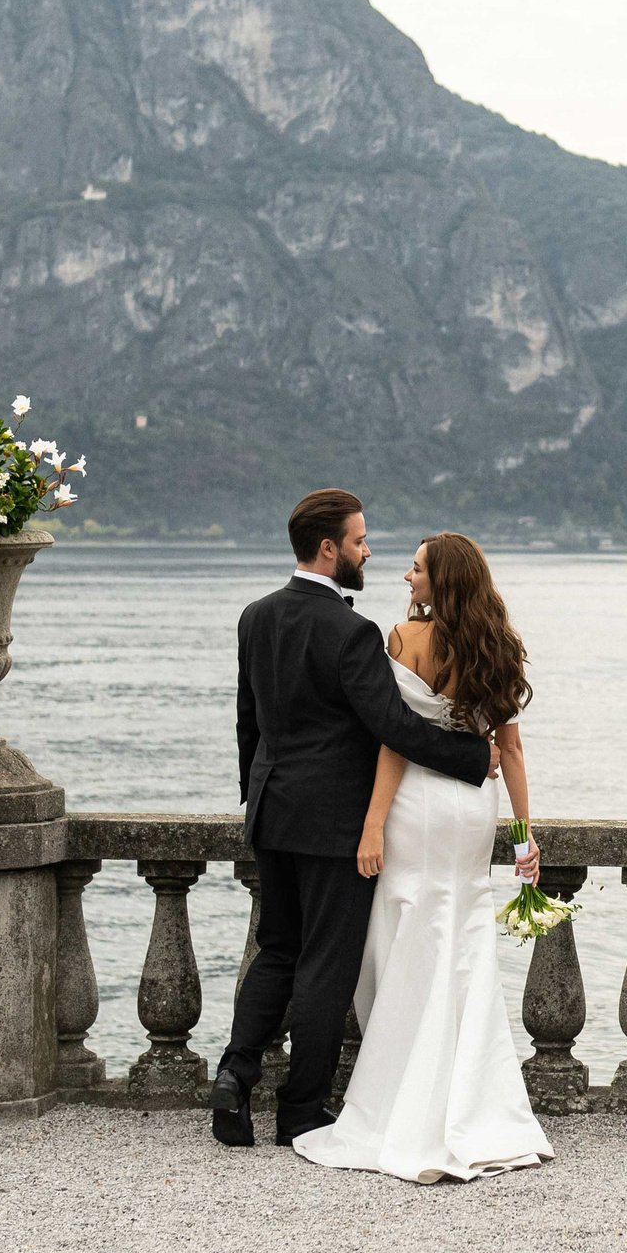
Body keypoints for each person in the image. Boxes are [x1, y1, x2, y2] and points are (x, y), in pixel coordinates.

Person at [212, 491, 496, 1149]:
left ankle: (234, 1075)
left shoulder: (255, 617)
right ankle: (301, 1111)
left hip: (272, 810)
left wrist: (254, 798)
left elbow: (247, 723)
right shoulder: (352, 632)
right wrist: (471, 755)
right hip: (335, 823)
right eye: (361, 541)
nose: (370, 552)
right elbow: (392, 725)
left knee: (277, 949)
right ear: (329, 548)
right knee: (325, 965)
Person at [291, 532, 553, 1183]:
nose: (407, 577)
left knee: (407, 938)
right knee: (463, 938)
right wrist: (524, 835)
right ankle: (477, 1107)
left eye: (416, 569)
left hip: (417, 805)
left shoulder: (405, 640)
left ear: (444, 582)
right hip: (472, 809)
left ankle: (405, 1100)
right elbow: (511, 751)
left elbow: (394, 742)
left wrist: (372, 824)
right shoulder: (501, 646)